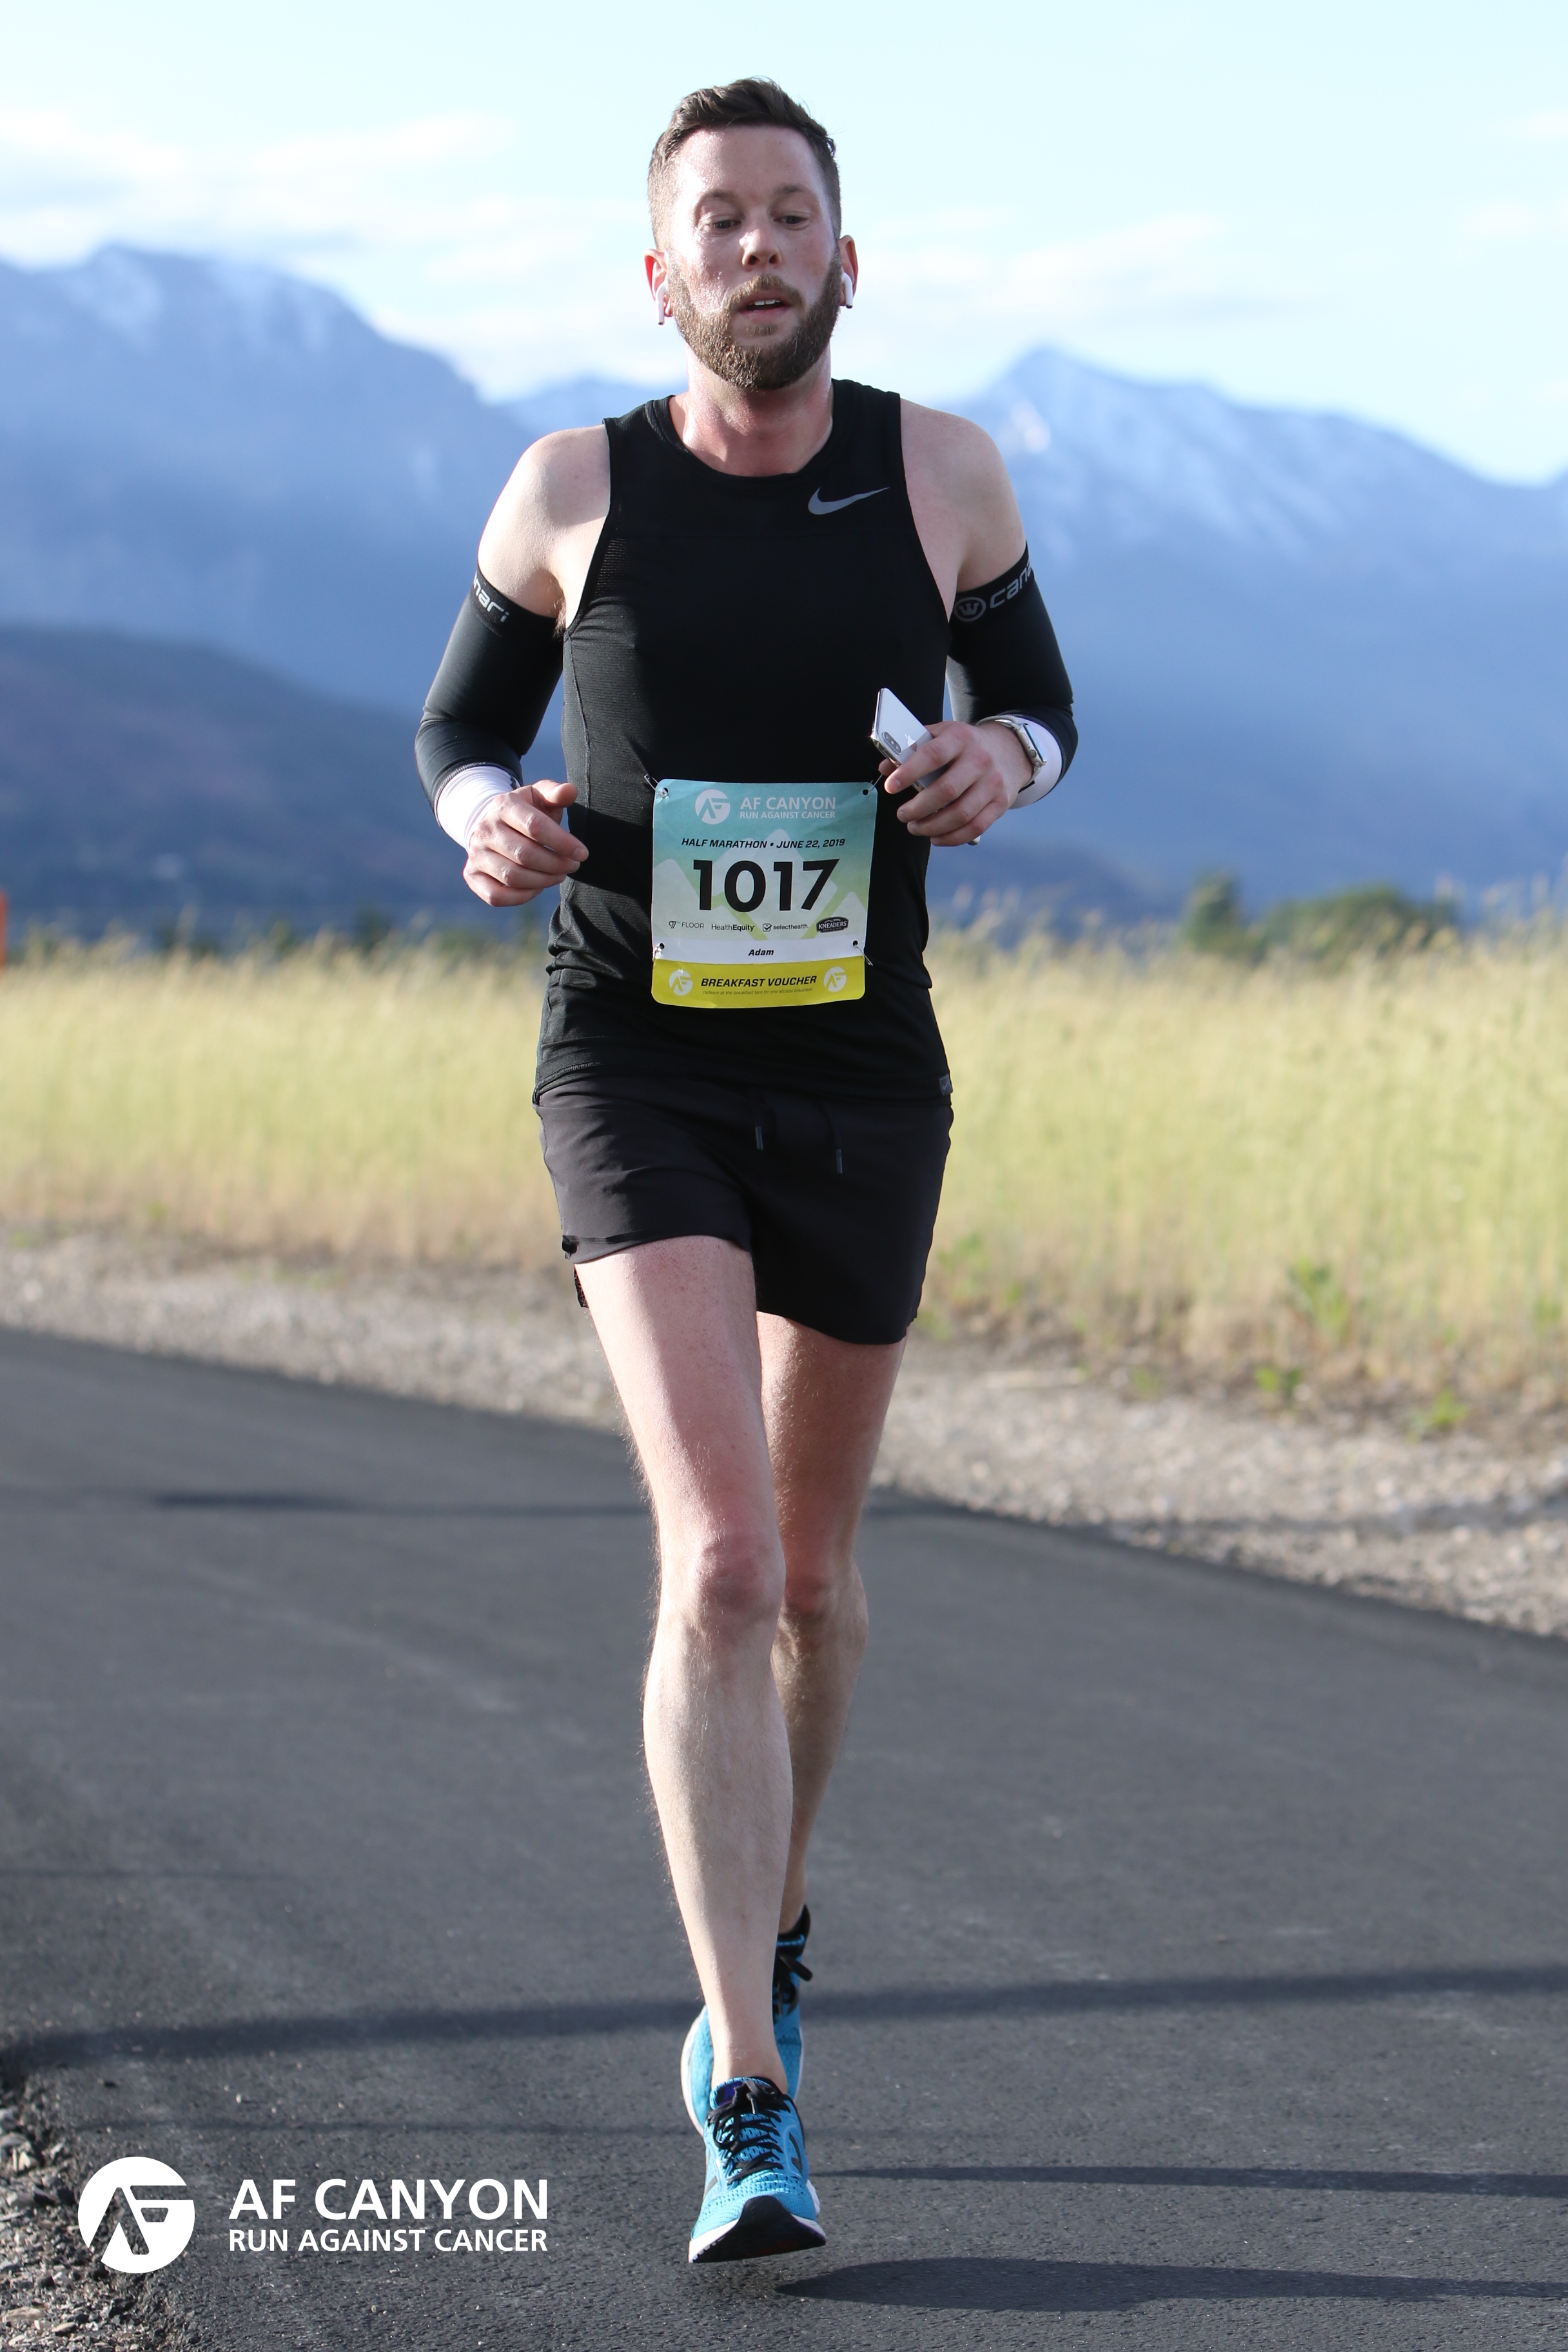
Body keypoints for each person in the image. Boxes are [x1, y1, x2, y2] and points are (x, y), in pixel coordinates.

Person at [415, 76, 1076, 2266]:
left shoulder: (943, 470)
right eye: (721, 219)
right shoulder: (570, 486)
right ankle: (752, 2099)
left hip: (864, 1064)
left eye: (794, 214)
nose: (760, 248)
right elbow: (456, 732)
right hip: (636, 1058)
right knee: (713, 1565)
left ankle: (766, 1937)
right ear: (661, 273)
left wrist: (999, 757)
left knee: (807, 1581)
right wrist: (487, 821)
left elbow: (1044, 701)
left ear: (846, 257)